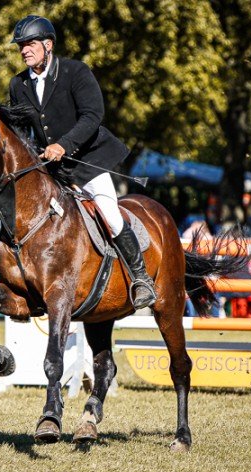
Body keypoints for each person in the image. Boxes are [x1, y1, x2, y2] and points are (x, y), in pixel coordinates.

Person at [8, 15, 155, 309]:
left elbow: (92, 115)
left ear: (48, 45)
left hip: (87, 161)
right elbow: (21, 130)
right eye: (21, 46)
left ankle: (141, 279)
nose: (24, 50)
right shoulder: (18, 84)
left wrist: (64, 144)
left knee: (111, 215)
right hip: (50, 170)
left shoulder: (75, 72)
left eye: (30, 44)